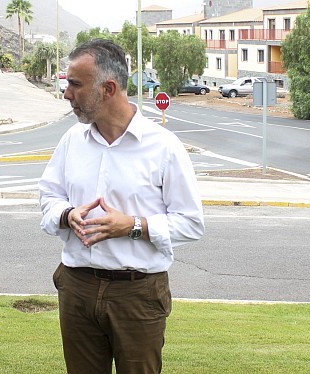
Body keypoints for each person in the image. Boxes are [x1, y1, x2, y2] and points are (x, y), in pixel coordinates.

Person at [39, 39, 205, 373]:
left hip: (138, 294)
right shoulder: (72, 140)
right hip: (77, 287)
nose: (66, 93)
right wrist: (67, 214)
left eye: (75, 84)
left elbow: (191, 223)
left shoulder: (164, 147)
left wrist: (132, 226)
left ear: (108, 89)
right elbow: (48, 197)